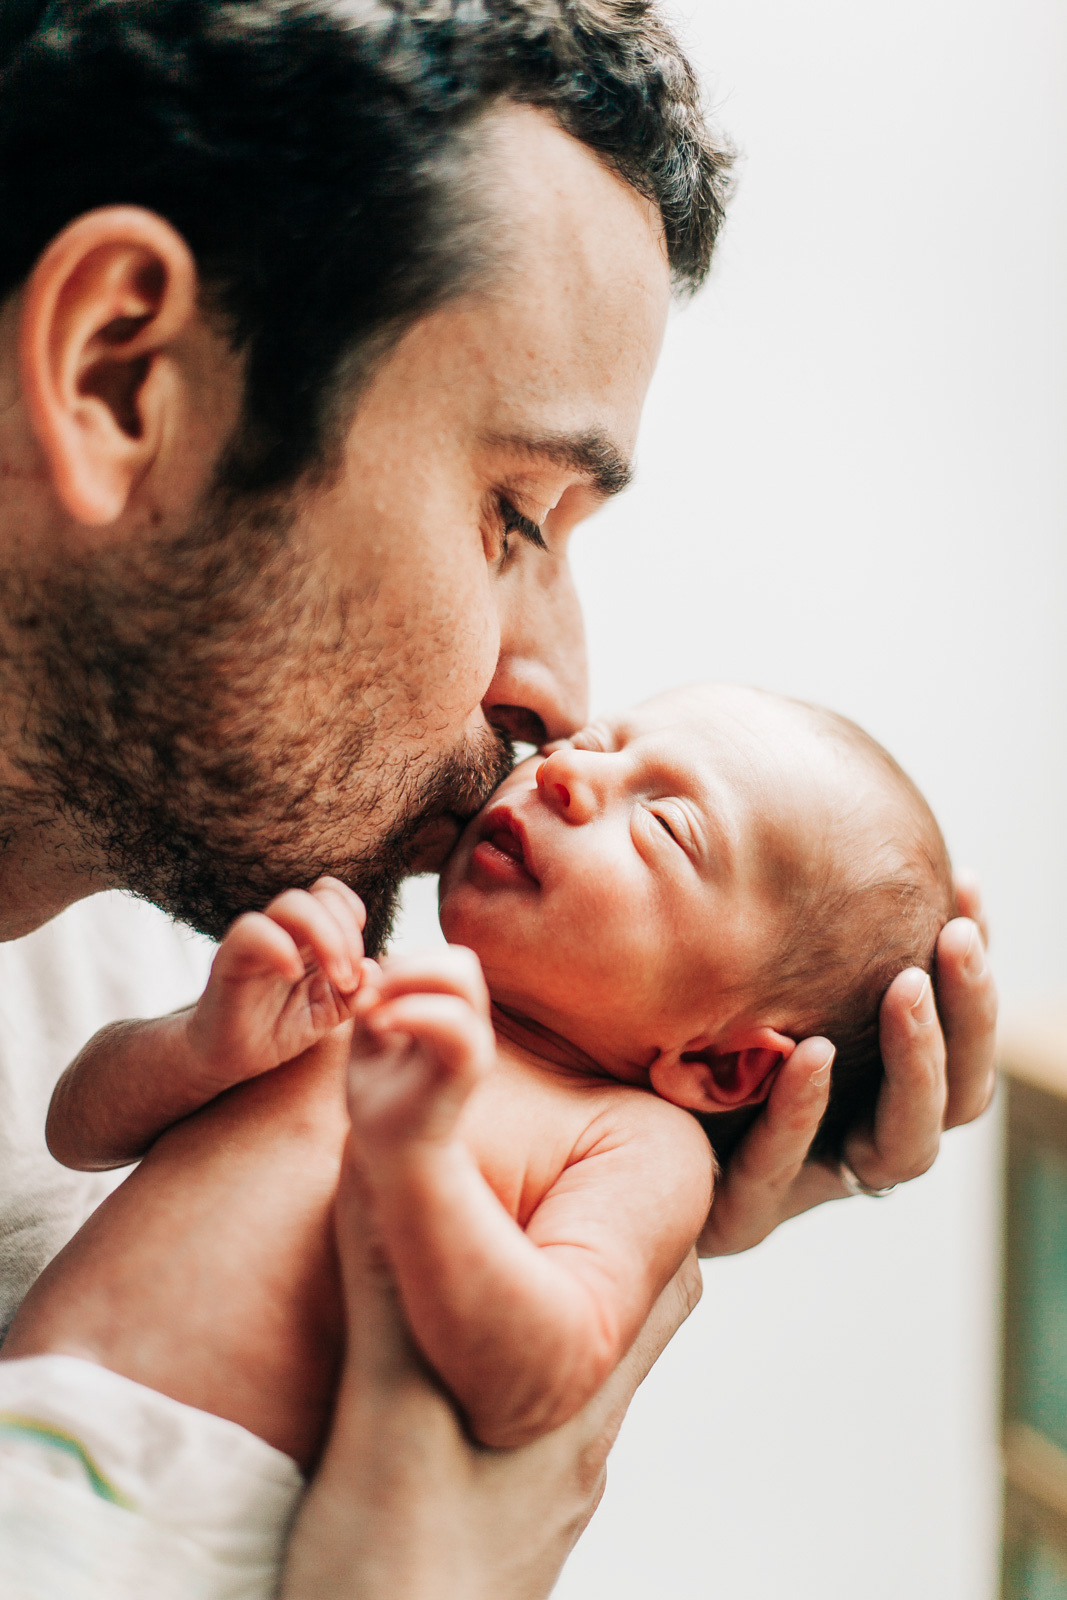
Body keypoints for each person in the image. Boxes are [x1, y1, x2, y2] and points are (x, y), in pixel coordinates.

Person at [0, 1, 997, 1594]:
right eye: (513, 511)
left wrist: (614, 1204)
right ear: (124, 375)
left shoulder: (202, 965)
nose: (557, 699)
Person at [1, 683, 962, 1593]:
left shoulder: (630, 1143)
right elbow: (75, 1130)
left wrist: (418, 1167)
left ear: (721, 1068)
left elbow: (536, 1380)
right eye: (593, 747)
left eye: (664, 827)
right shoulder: (354, 995)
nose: (561, 774)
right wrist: (201, 1045)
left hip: (187, 1531)